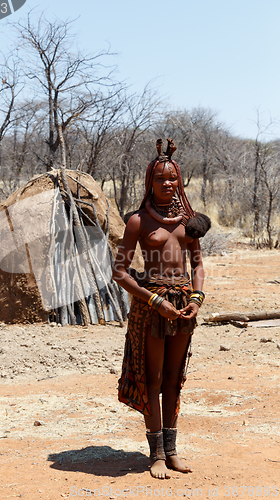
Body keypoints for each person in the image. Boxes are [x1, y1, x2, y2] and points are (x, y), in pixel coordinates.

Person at [112, 138, 209, 479]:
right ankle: (155, 455)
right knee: (152, 378)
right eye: (160, 179)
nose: (167, 184)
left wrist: (196, 298)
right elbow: (119, 272)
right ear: (149, 183)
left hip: (182, 306)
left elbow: (197, 265)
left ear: (179, 182)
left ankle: (172, 451)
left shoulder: (190, 222)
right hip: (151, 307)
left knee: (174, 379)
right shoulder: (138, 221)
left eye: (172, 179)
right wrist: (155, 300)